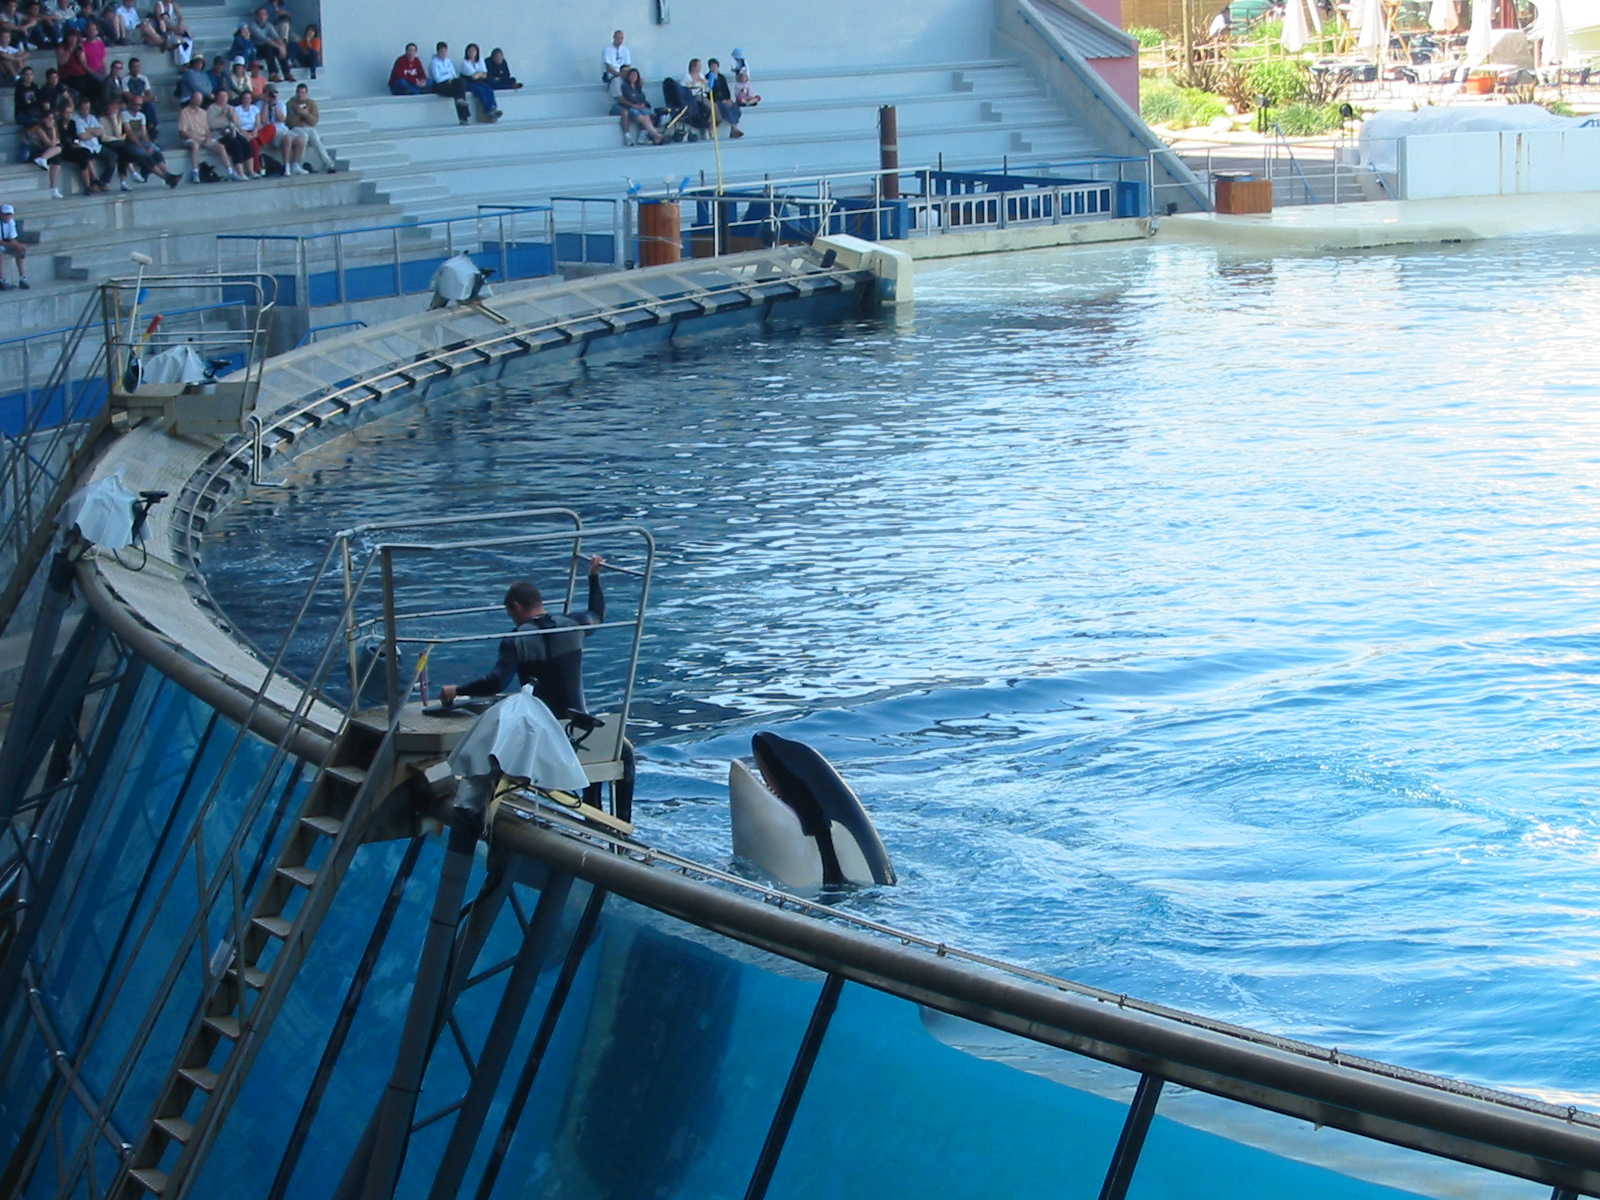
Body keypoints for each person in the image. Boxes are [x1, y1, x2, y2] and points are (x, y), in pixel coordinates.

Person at [440, 556, 608, 720]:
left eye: (510, 614)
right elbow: (597, 613)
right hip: (577, 719)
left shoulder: (516, 640)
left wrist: (457, 690)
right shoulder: (574, 625)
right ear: (539, 602)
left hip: (541, 724)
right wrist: (594, 575)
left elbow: (496, 683)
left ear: (516, 607)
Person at [120, 91, 178, 183]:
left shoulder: (141, 116)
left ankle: (168, 174)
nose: (137, 107)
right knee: (145, 155)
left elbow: (144, 133)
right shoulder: (124, 115)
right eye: (135, 104)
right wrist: (142, 147)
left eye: (139, 105)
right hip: (128, 142)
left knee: (156, 153)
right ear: (130, 104)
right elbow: (129, 133)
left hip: (141, 141)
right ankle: (166, 178)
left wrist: (149, 145)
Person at [177, 87, 234, 179]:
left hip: (203, 138)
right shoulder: (184, 112)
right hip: (190, 138)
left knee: (220, 146)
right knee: (194, 145)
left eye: (199, 100)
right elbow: (182, 133)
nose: (198, 102)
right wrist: (197, 138)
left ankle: (230, 171)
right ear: (191, 100)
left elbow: (207, 130)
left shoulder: (203, 113)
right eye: (196, 100)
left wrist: (207, 137)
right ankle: (195, 172)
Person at [283, 81, 331, 170]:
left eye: (302, 93)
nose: (300, 95)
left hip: (309, 127)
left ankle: (328, 163)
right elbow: (289, 122)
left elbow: (314, 121)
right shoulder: (290, 103)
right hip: (296, 128)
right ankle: (298, 164)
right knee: (303, 138)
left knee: (316, 139)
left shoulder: (312, 103)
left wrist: (306, 114)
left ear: (306, 93)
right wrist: (298, 114)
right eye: (299, 92)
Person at [612, 65, 662, 145]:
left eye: (628, 72)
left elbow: (641, 97)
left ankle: (645, 136)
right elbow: (620, 99)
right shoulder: (618, 82)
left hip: (634, 106)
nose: (627, 73)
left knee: (646, 113)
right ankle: (655, 135)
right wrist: (634, 106)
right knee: (627, 113)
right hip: (619, 106)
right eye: (625, 72)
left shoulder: (635, 84)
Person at [427, 40, 470, 124]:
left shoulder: (448, 61)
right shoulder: (434, 63)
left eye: (445, 51)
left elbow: (454, 74)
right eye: (441, 51)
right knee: (459, 91)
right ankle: (463, 116)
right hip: (439, 86)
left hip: (450, 84)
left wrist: (450, 79)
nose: (443, 53)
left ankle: (463, 117)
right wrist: (449, 78)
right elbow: (437, 78)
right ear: (438, 52)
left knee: (460, 83)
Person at [455, 42, 499, 121]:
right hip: (468, 82)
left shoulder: (480, 60)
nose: (472, 53)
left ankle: (493, 108)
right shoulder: (465, 63)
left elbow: (485, 74)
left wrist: (479, 74)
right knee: (481, 91)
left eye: (474, 51)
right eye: (470, 51)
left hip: (479, 81)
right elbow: (473, 77)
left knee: (489, 89)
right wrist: (480, 73)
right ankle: (488, 110)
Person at [704, 56, 742, 137]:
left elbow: (726, 89)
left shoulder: (721, 77)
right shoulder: (707, 77)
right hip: (715, 100)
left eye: (715, 66)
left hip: (725, 99)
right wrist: (722, 100)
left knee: (734, 106)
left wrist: (728, 99)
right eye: (712, 67)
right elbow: (711, 92)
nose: (714, 68)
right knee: (724, 107)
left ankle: (734, 128)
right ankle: (734, 128)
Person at [0, 202, 29, 288]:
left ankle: (22, 278)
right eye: (5, 214)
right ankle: (1, 280)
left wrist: (18, 246)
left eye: (9, 214)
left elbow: (12, 238)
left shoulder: (11, 222)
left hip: (5, 243)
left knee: (19, 250)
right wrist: (14, 245)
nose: (7, 216)